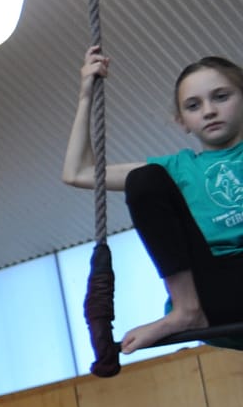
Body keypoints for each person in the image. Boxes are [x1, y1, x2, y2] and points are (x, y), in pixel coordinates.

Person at [62, 46, 243, 352]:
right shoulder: (179, 168)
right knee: (144, 179)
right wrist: (85, 96)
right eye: (194, 105)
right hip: (216, 291)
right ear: (182, 120)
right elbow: (78, 172)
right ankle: (186, 310)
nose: (209, 111)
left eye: (221, 97)